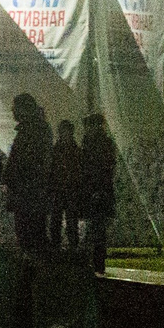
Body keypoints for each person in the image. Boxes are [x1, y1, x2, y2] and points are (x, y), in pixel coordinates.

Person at [4, 93, 54, 250]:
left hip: (29, 191)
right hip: (29, 190)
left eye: (15, 108)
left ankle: (35, 269)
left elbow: (28, 161)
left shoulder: (32, 130)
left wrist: (14, 178)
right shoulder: (35, 128)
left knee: (30, 232)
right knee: (31, 232)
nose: (13, 112)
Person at [75, 111, 119, 273]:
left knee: (97, 228)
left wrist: (97, 189)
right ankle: (96, 262)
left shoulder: (99, 144)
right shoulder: (94, 143)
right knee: (96, 228)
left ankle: (97, 263)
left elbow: (102, 169)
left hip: (97, 192)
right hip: (95, 191)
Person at [48, 119, 83, 248]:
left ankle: (70, 245)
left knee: (69, 219)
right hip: (61, 188)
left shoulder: (64, 150)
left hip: (67, 188)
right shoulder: (62, 150)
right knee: (59, 219)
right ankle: (60, 245)